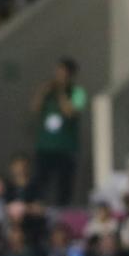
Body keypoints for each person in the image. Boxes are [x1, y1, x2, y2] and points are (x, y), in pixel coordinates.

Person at [31, 58, 87, 206]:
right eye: (58, 72)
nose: (60, 77)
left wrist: (62, 92)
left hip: (65, 147)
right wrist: (43, 92)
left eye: (64, 74)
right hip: (45, 146)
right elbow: (35, 108)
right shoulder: (49, 91)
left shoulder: (78, 92)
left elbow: (70, 112)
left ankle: (62, 209)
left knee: (64, 184)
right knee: (41, 182)